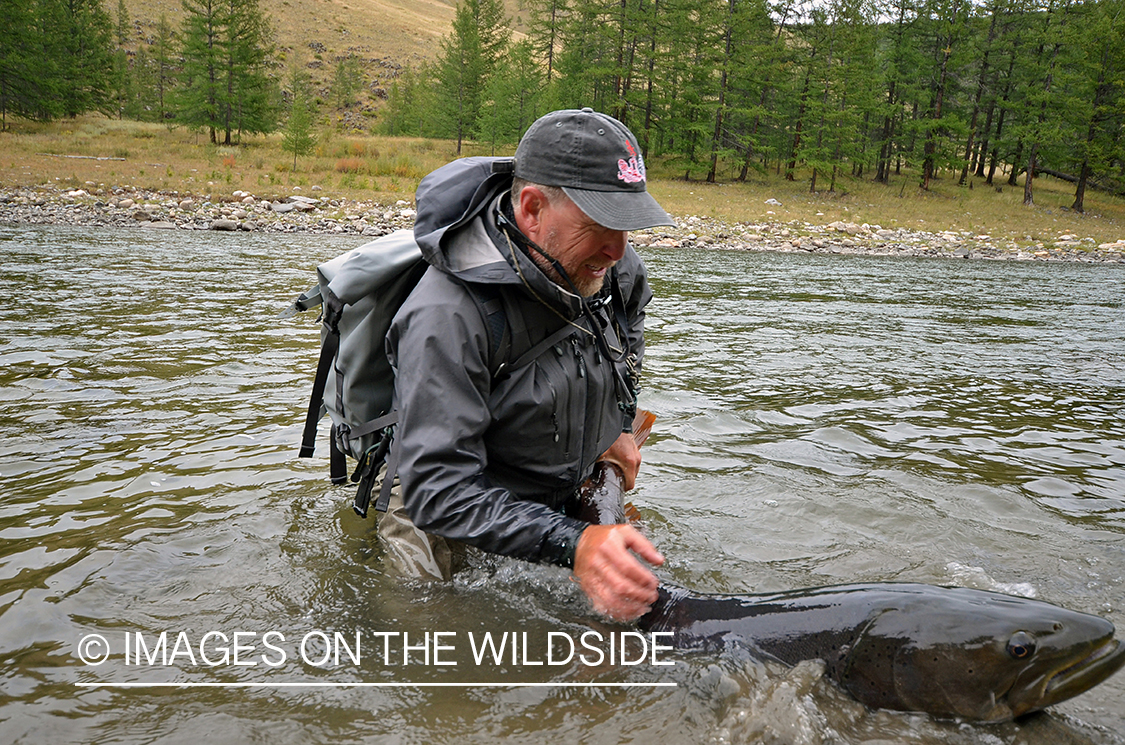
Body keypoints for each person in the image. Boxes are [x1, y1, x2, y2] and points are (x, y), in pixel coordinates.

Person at [380, 108, 675, 621]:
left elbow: (626, 351)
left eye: (628, 225)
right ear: (532, 208)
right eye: (602, 224)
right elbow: (439, 489)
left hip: (557, 470)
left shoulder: (619, 269)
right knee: (426, 633)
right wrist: (575, 544)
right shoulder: (445, 315)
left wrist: (620, 428)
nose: (618, 249)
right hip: (447, 496)